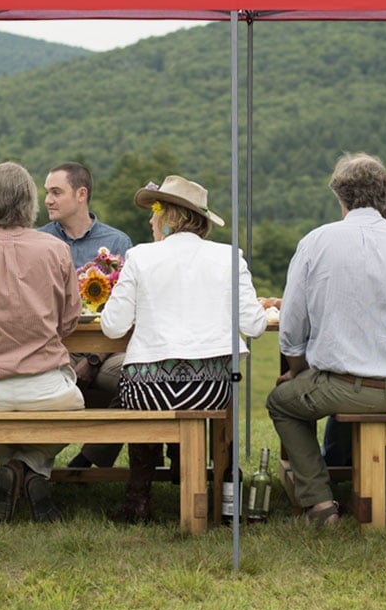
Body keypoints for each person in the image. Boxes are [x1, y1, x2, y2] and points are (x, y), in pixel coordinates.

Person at [266, 153, 386, 526]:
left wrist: (296, 368)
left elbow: (292, 327)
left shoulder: (317, 242)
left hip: (347, 386)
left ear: (338, 196)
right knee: (383, 399)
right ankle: (381, 505)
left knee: (282, 402)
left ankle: (320, 502)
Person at [98, 174, 266, 522]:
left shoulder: (140, 256)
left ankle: (138, 500)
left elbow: (112, 326)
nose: (149, 220)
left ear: (168, 216)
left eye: (154, 212)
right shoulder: (230, 256)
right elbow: (255, 326)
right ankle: (199, 485)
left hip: (150, 391)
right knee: (155, 391)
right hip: (212, 390)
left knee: (129, 387)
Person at [0, 161, 83, 523]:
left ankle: (13, 467)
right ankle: (35, 470)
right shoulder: (55, 249)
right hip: (46, 388)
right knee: (76, 407)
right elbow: (70, 319)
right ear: (31, 201)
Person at [41, 161, 134, 465]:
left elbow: (128, 310)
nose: (48, 200)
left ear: (81, 194)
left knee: (137, 379)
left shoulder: (117, 243)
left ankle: (91, 457)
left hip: (107, 352)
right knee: (32, 379)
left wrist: (95, 358)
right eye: (46, 193)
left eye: (56, 192)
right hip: (54, 350)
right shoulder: (38, 242)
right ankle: (32, 466)